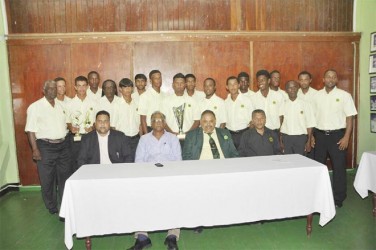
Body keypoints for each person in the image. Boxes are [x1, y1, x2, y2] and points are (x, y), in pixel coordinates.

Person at [129, 111, 181, 250]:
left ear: (165, 123)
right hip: (148, 177)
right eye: (155, 120)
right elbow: (138, 161)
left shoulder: (173, 138)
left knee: (174, 199)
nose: (158, 122)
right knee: (140, 199)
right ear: (151, 124)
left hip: (169, 177)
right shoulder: (144, 139)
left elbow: (178, 161)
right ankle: (142, 237)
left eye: (160, 120)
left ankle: (172, 236)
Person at [25, 80, 71, 215]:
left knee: (64, 177)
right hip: (45, 147)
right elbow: (30, 131)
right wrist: (35, 149)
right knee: (47, 179)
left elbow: (66, 125)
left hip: (63, 146)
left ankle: (64, 204)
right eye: (49, 88)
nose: (53, 90)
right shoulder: (35, 107)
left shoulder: (61, 106)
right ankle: (51, 206)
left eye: (55, 88)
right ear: (43, 90)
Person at [313, 69, 357, 208]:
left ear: (336, 80)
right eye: (328, 77)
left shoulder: (345, 96)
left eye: (333, 77)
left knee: (338, 168)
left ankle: (338, 198)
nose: (331, 79)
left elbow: (350, 119)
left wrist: (346, 137)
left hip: (338, 136)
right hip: (319, 135)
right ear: (323, 79)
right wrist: (312, 137)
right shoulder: (316, 96)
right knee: (318, 167)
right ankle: (317, 196)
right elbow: (313, 118)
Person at [66, 76, 98, 172]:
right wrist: (71, 128)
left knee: (91, 162)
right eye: (79, 86)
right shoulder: (69, 103)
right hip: (76, 138)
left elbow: (98, 120)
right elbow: (67, 121)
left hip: (91, 136)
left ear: (87, 86)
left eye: (84, 85)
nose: (81, 88)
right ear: (75, 87)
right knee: (76, 163)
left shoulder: (94, 103)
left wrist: (93, 127)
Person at [279, 80, 316, 155]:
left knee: (301, 162)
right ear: (286, 90)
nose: (292, 90)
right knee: (287, 162)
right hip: (286, 138)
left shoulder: (306, 104)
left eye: (294, 87)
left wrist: (308, 141)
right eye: (289, 88)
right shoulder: (283, 104)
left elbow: (310, 124)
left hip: (301, 138)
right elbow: (281, 124)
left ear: (298, 89)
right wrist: (281, 140)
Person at [114, 78, 141, 162]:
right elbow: (113, 126)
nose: (128, 89)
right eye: (125, 87)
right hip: (122, 139)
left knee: (136, 162)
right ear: (120, 89)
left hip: (136, 138)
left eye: (129, 87)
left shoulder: (137, 102)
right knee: (124, 163)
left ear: (132, 89)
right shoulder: (116, 104)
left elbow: (139, 123)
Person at [224, 76, 254, 149]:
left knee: (244, 157)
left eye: (234, 84)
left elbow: (253, 120)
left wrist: (249, 134)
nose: (233, 86)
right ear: (227, 87)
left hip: (244, 133)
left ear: (239, 85)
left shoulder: (247, 100)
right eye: (230, 84)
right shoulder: (225, 102)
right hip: (229, 134)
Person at [297, 71, 318, 159]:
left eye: (306, 79)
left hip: (314, 129)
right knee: (300, 156)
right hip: (299, 130)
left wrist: (311, 135)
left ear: (310, 80)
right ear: (298, 81)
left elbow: (317, 115)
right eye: (301, 80)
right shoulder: (295, 93)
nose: (303, 82)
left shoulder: (317, 94)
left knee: (312, 156)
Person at [138, 70, 165, 134]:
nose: (158, 80)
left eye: (159, 78)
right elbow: (143, 119)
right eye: (156, 78)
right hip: (150, 129)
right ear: (150, 81)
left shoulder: (165, 95)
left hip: (164, 128)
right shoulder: (144, 96)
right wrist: (147, 136)